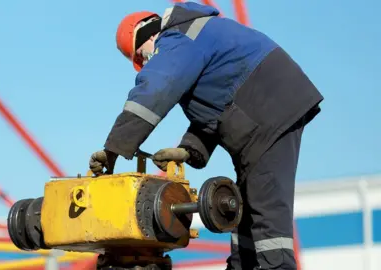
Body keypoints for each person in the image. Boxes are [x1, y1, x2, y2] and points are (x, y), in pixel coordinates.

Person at [88, 2, 323, 269]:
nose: (145, 64)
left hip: (268, 111)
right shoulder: (195, 37)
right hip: (264, 113)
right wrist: (189, 149)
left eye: (141, 57)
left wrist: (114, 149)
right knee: (245, 211)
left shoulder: (177, 37)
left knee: (266, 212)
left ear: (148, 35)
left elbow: (152, 93)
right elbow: (219, 105)